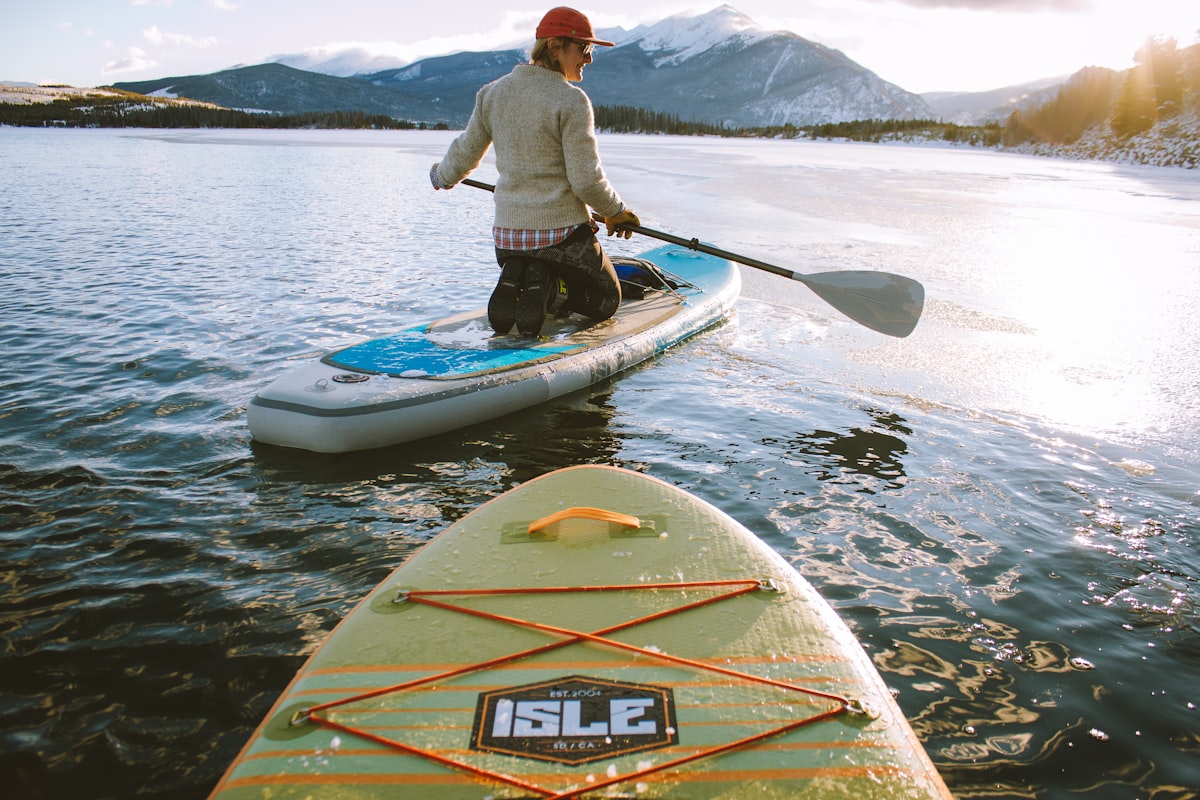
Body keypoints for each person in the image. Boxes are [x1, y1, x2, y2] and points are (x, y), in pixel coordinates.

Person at [430, 6, 640, 337]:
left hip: (507, 239)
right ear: (555, 47)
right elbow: (586, 180)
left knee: (534, 259)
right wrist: (616, 211)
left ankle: (525, 274)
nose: (589, 58)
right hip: (562, 238)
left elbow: (465, 152)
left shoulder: (492, 93)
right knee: (606, 300)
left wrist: (442, 176)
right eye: (584, 48)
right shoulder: (571, 101)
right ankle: (552, 290)